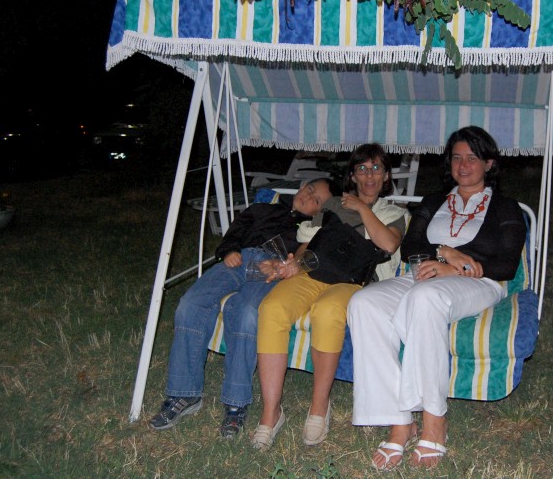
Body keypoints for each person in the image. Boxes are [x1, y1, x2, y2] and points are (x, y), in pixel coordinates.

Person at [347, 126, 527, 470]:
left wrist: (458, 267)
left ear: (489, 163)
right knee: (364, 302)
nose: (463, 165)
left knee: (425, 298)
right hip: (423, 274)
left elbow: (507, 263)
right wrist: (445, 252)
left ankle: (434, 420)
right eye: (457, 157)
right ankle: (399, 419)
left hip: (479, 282)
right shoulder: (434, 202)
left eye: (472, 157)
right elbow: (411, 247)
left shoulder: (505, 207)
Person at [148, 177, 339, 439]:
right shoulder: (262, 209)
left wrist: (284, 265)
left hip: (271, 269)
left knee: (246, 312)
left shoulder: (311, 229)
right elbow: (236, 230)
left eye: (316, 200)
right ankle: (184, 394)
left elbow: (307, 259)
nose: (307, 197)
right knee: (190, 305)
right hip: (238, 260)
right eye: (309, 190)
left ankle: (235, 403)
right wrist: (229, 250)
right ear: (302, 185)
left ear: (321, 210)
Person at [250, 143, 409, 450]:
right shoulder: (334, 204)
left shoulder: (396, 213)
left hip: (355, 280)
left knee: (327, 311)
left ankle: (319, 406)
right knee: (272, 308)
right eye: (362, 169)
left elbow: (388, 244)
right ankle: (271, 412)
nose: (369, 176)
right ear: (353, 175)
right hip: (314, 271)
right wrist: (294, 263)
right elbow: (309, 241)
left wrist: (362, 208)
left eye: (376, 168)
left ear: (386, 175)